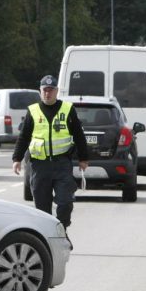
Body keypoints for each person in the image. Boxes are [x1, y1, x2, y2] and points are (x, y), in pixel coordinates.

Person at [12, 75, 89, 236]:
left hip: (62, 164)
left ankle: (61, 231)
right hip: (39, 167)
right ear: (40, 91)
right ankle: (47, 237)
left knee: (65, 203)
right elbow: (24, 136)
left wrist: (83, 158)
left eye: (51, 90)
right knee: (42, 208)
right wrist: (17, 159)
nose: (48, 93)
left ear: (56, 91)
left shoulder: (67, 109)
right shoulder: (33, 111)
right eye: (45, 90)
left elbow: (79, 135)